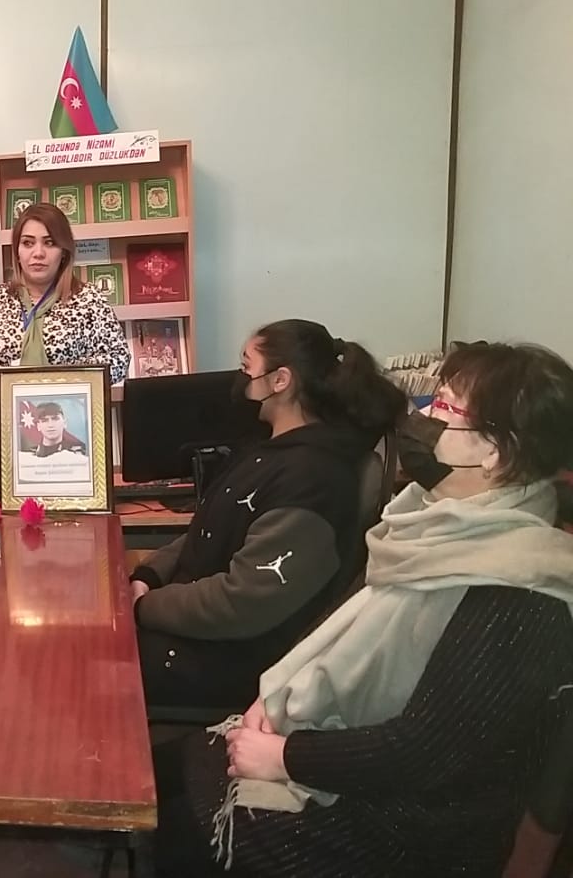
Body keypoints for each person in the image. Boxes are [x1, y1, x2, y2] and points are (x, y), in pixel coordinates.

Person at [156, 341, 573, 878]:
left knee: (179, 830)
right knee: (162, 771)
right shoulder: (426, 526)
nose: (420, 418)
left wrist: (283, 756)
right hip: (344, 753)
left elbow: (424, 752)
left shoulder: (518, 594)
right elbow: (335, 641)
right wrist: (273, 702)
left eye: (442, 406)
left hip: (405, 826)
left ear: (496, 449)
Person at [129, 319, 406, 709]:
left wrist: (145, 608)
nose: (240, 380)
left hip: (225, 663)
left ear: (280, 381)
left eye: (247, 367)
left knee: (79, 665)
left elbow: (241, 601)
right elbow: (208, 530)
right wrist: (148, 576)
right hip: (194, 636)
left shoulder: (314, 477)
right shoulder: (270, 451)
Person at [0, 202, 130, 436]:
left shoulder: (89, 300)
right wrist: (9, 379)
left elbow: (118, 358)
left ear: (64, 251)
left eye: (49, 242)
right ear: (17, 251)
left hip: (69, 426)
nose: (38, 253)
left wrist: (60, 379)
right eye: (28, 243)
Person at [23, 402, 88, 456]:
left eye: (55, 419)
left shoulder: (78, 454)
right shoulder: (29, 456)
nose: (50, 425)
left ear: (65, 423)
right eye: (44, 420)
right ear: (38, 426)